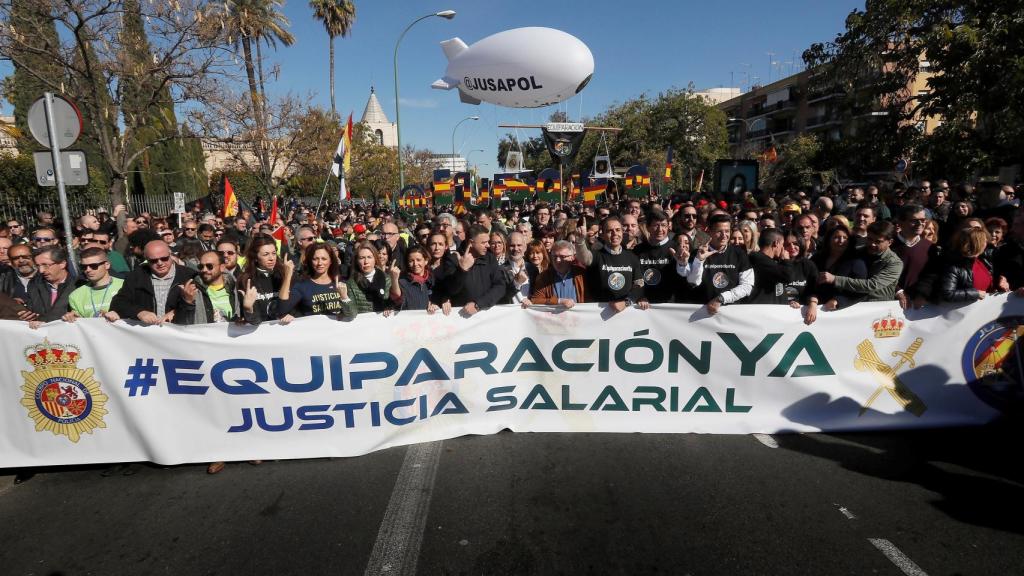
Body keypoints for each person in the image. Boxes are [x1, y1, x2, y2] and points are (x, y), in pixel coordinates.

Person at [110, 239, 196, 325]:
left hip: (178, 331)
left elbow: (199, 306)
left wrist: (176, 311)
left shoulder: (188, 275)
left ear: (171, 255)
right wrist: (139, 312)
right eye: (153, 260)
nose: (160, 263)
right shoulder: (136, 276)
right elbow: (119, 302)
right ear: (146, 259)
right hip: (147, 333)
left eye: (164, 258)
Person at [818, 221, 903, 303]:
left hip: (878, 307)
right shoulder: (857, 252)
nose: (872, 244)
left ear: (890, 242)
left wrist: (835, 279)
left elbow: (872, 285)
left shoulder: (895, 263)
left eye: (878, 242)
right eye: (869, 239)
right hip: (851, 303)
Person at [578, 216, 648, 313]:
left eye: (618, 230)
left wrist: (626, 302)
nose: (615, 233)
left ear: (622, 233)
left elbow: (639, 285)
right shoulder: (596, 255)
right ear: (602, 235)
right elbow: (583, 258)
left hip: (626, 312)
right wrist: (580, 241)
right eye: (610, 231)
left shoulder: (632, 257)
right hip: (599, 314)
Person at [689, 214, 754, 315]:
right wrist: (699, 261)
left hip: (731, 313)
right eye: (719, 231)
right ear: (709, 231)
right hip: (701, 313)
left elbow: (747, 286)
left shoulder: (740, 254)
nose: (724, 235)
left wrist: (721, 298)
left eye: (727, 231)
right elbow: (693, 282)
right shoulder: (697, 253)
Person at [447, 225, 508, 317]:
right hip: (461, 317)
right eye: (484, 242)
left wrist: (478, 304)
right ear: (471, 243)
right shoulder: (454, 259)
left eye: (488, 242)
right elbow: (451, 290)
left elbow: (500, 286)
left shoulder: (490, 258)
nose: (488, 245)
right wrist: (462, 270)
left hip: (486, 315)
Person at [278, 243, 345, 320]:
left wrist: (344, 297)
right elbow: (281, 310)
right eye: (315, 259)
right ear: (310, 261)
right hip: (313, 330)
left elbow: (352, 311)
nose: (320, 263)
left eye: (324, 259)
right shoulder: (303, 285)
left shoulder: (340, 283)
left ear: (331, 261)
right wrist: (287, 276)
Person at [940, 227, 1007, 302]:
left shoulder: (983, 261)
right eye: (984, 241)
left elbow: (988, 285)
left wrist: (1000, 283)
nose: (986, 243)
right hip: (964, 312)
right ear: (976, 243)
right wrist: (976, 294)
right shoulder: (954, 266)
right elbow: (947, 293)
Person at [811, 224, 866, 310]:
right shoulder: (817, 258)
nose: (841, 240)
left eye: (845, 238)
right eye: (836, 237)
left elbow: (861, 290)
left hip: (840, 311)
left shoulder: (856, 262)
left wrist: (839, 301)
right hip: (813, 306)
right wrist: (811, 300)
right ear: (829, 239)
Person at [341, 242, 402, 317]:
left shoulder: (387, 279)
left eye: (369, 257)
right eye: (362, 258)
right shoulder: (351, 283)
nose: (366, 262)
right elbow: (351, 313)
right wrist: (344, 297)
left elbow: (397, 303)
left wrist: (390, 307)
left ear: (375, 259)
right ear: (356, 261)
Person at [236, 235, 287, 324]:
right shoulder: (246, 280)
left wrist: (292, 313)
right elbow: (255, 321)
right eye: (266, 254)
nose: (271, 258)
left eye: (274, 253)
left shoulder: (284, 274)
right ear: (255, 257)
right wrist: (249, 309)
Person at [180, 250, 241, 324]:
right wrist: (187, 303)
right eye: (201, 266)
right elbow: (182, 323)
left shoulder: (237, 288)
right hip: (204, 334)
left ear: (222, 267)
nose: (204, 270)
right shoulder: (192, 290)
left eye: (209, 266)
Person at [63, 247, 122, 322]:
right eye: (84, 267)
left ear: (107, 265)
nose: (88, 270)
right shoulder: (75, 295)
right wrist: (72, 318)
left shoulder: (124, 286)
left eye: (94, 266)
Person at [26, 246, 79, 322]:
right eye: (38, 266)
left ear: (62, 264)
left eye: (45, 265)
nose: (41, 270)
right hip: (41, 332)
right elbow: (31, 312)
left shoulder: (78, 285)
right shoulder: (34, 284)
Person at [527, 240, 586, 307]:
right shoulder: (544, 277)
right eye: (554, 257)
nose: (558, 260)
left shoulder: (581, 275)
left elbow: (592, 300)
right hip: (553, 316)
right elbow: (535, 300)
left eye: (562, 257)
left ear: (572, 257)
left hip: (579, 316)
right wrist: (558, 301)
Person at [634, 210, 676, 304]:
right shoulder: (638, 250)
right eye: (656, 225)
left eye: (664, 225)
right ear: (648, 227)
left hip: (670, 304)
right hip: (644, 304)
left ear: (668, 227)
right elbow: (635, 277)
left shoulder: (676, 248)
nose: (660, 229)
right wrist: (639, 296)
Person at [747, 229, 794, 305]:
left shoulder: (769, 261)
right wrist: (786, 260)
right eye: (782, 244)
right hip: (760, 311)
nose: (783, 248)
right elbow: (788, 276)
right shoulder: (758, 259)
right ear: (776, 243)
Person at [397, 246, 437, 312]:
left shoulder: (434, 280)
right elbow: (397, 301)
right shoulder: (402, 283)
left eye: (418, 260)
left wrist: (437, 304)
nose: (415, 264)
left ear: (426, 261)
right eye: (411, 261)